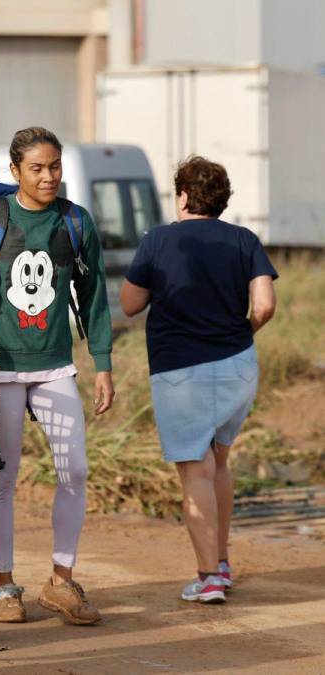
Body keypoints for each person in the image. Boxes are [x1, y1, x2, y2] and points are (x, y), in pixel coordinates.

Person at [0, 127, 114, 626]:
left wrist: (103, 363)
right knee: (2, 479)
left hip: (54, 365)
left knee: (74, 470)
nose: (48, 176)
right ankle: (6, 587)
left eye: (54, 166)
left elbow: (94, 298)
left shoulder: (76, 222)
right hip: (0, 367)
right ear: (15, 172)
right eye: (37, 168)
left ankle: (62, 581)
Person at [120, 156, 277, 604]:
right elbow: (264, 304)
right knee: (218, 463)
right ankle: (221, 562)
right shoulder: (245, 240)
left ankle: (210, 577)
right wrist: (242, 332)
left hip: (180, 371)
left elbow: (130, 304)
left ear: (184, 195)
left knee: (195, 470)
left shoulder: (159, 241)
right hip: (237, 366)